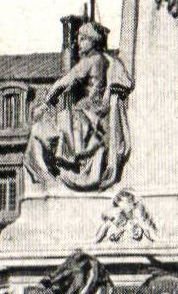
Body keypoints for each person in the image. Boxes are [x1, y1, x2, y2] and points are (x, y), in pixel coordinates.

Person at [24, 21, 132, 192]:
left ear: (92, 41)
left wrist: (45, 104)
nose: (78, 43)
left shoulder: (89, 61)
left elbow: (61, 83)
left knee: (42, 131)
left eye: (82, 39)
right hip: (96, 117)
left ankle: (57, 170)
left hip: (87, 118)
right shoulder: (108, 61)